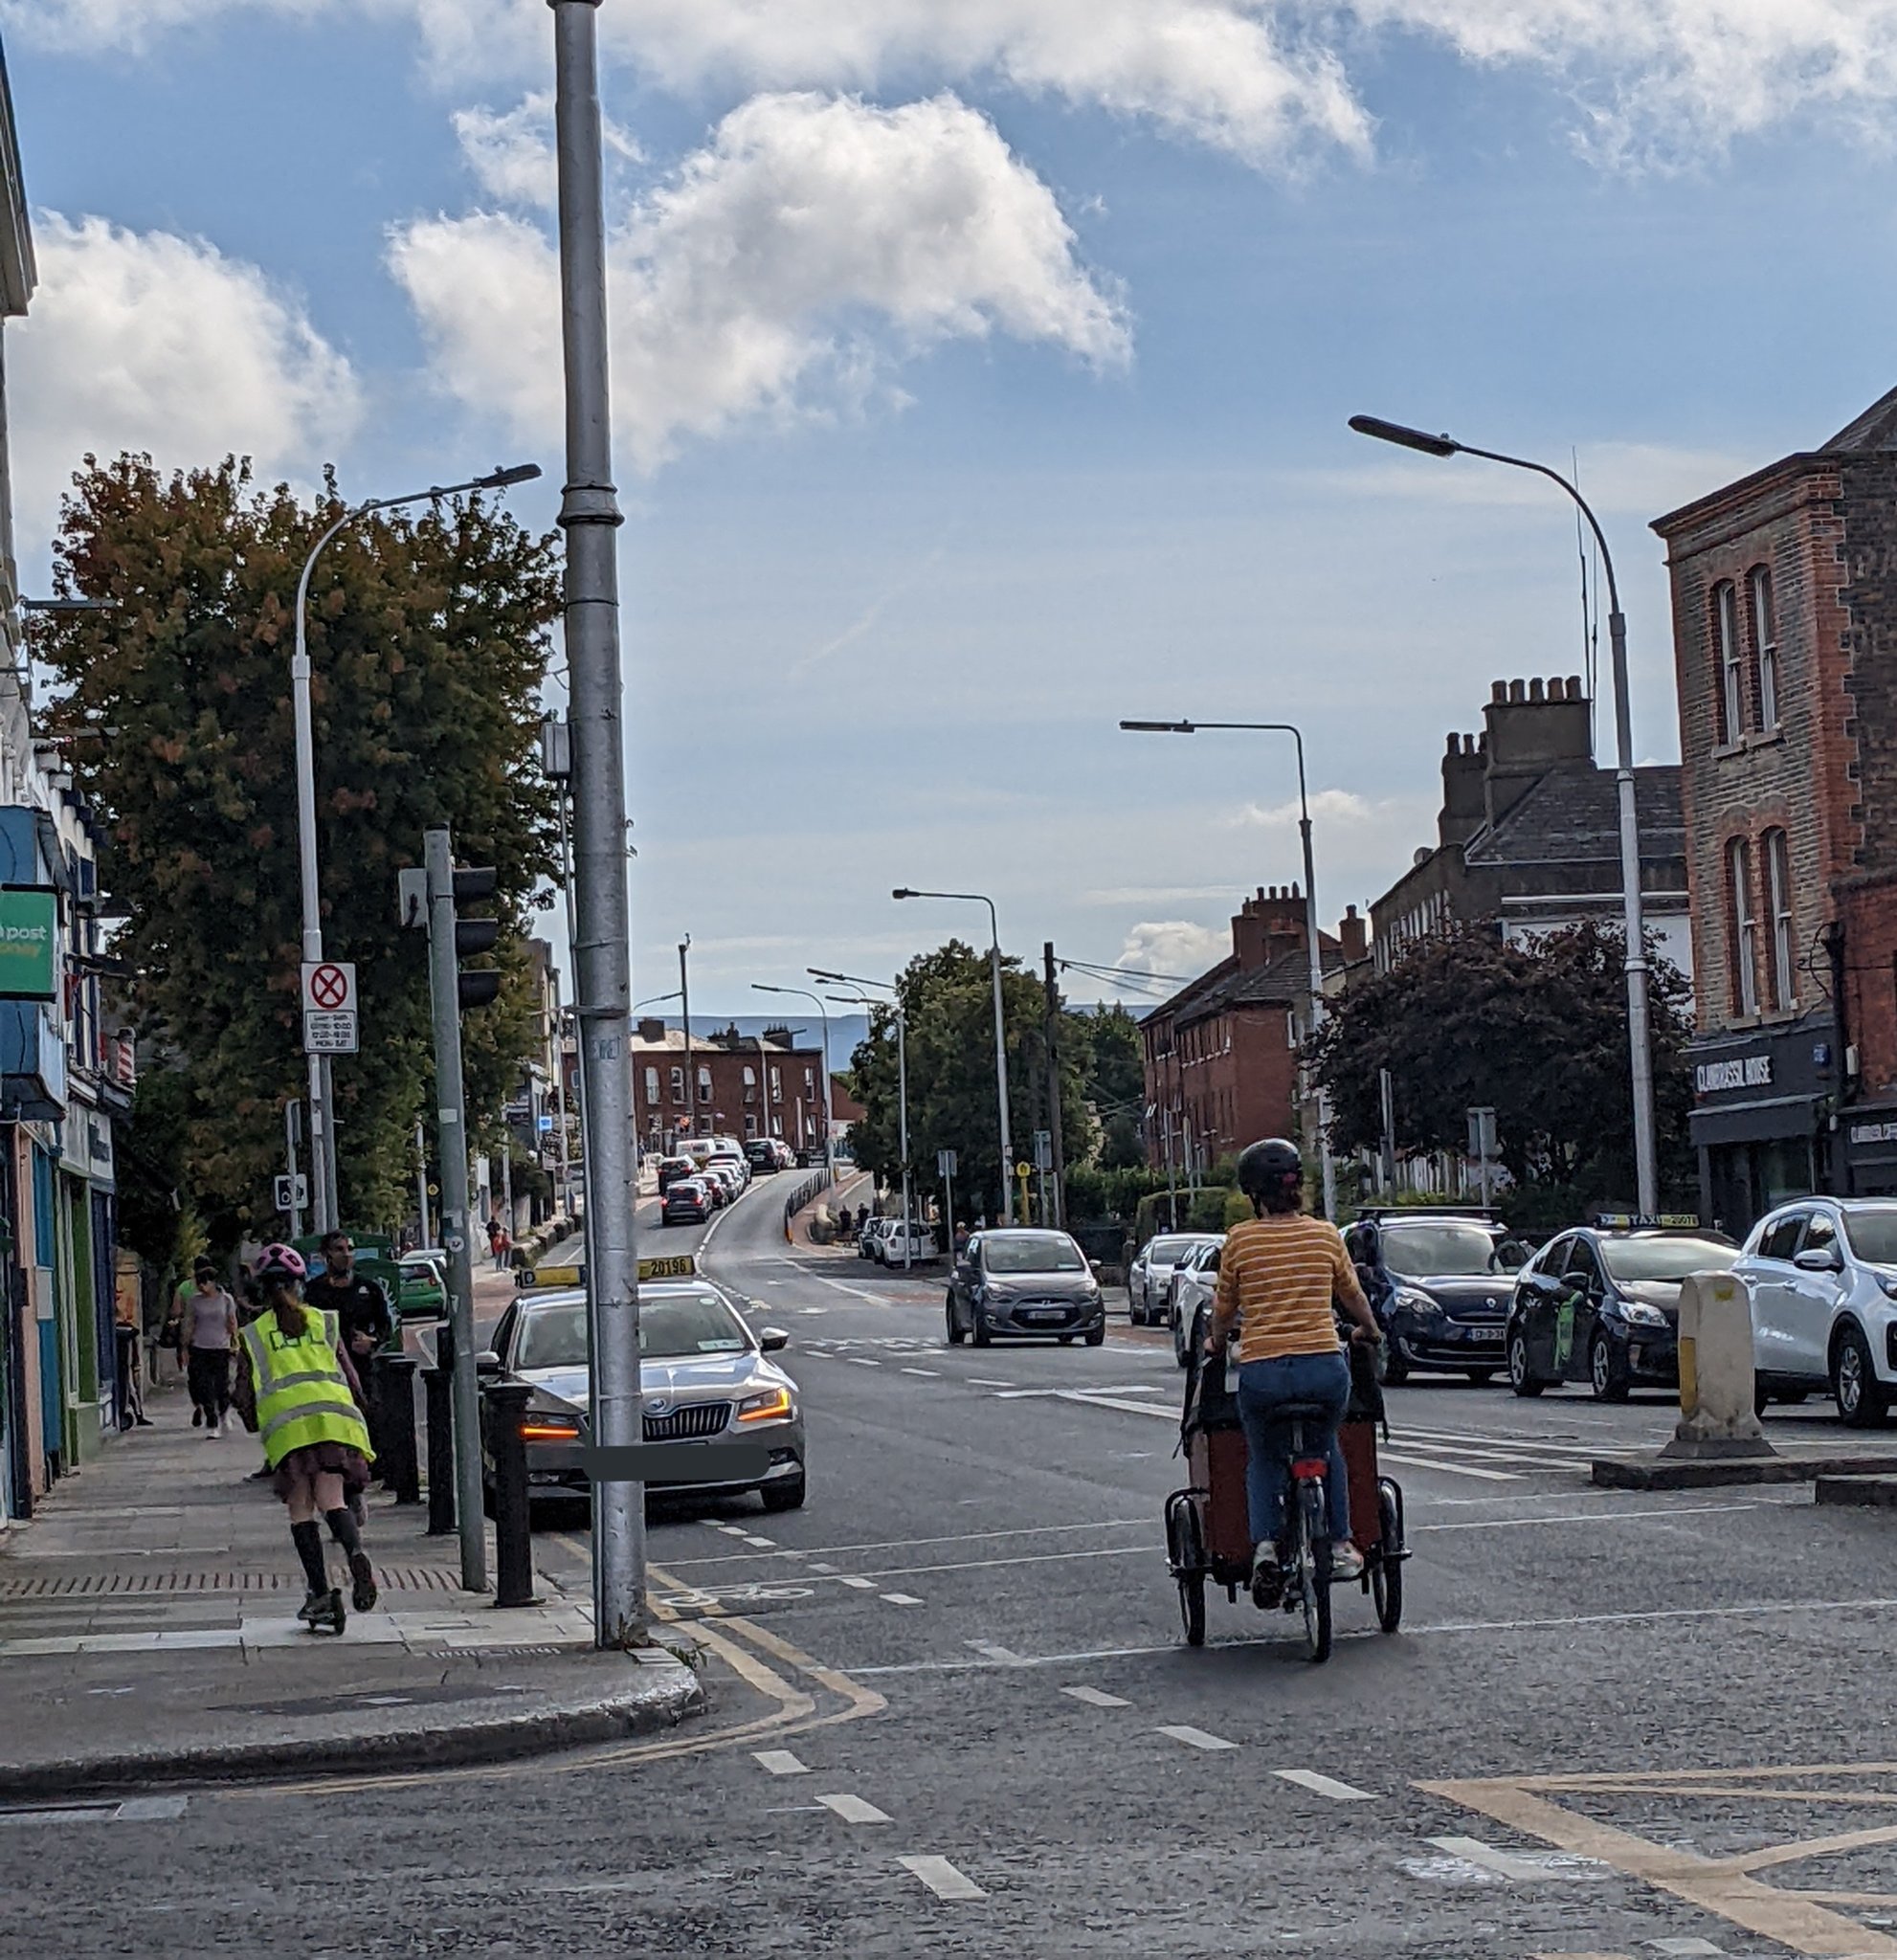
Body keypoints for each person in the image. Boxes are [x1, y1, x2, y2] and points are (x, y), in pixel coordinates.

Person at [1205, 1138, 1381, 1599]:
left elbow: (1224, 1307)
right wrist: (1369, 1330)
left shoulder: (1240, 1240)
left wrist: (1217, 1342)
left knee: (1263, 1456)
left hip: (1263, 1373)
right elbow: (1352, 1294)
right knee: (1328, 1447)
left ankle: (1265, 1547)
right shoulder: (1325, 1235)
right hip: (1323, 1369)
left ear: (1253, 1193)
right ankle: (1340, 1543)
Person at [238, 1244, 377, 1634]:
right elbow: (349, 1375)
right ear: (300, 1285)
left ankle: (321, 1595)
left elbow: (244, 1393)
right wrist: (362, 1408)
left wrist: (252, 1422)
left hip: (290, 1430)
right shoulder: (324, 1322)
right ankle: (355, 1552)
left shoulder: (254, 1334)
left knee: (301, 1508)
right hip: (335, 1421)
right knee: (332, 1500)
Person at [305, 1232, 392, 1365]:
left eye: (350, 1249)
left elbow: (385, 1326)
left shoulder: (369, 1288)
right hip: (326, 1363)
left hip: (361, 1365)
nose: (346, 1254)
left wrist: (371, 1340)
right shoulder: (313, 1291)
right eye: (339, 1249)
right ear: (326, 1254)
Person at [178, 1258, 237, 1436]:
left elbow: (232, 1321)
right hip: (200, 1346)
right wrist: (185, 1346)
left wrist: (235, 1342)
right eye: (199, 1283)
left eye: (204, 1283)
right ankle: (212, 1422)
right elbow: (189, 1323)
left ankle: (224, 1412)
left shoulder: (226, 1299)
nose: (202, 1287)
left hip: (221, 1346)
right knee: (204, 1386)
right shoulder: (195, 1301)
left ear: (213, 1282)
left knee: (222, 1385)